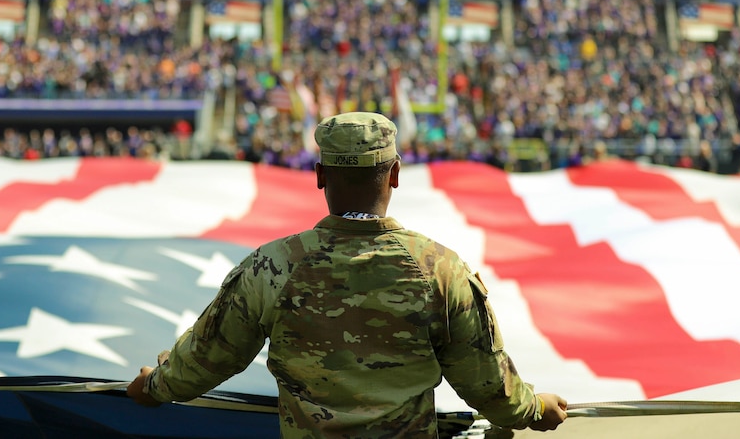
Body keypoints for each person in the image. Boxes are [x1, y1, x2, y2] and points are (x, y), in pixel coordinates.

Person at [127, 112, 568, 436]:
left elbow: (207, 360)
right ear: (395, 175)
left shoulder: (272, 266)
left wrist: (156, 384)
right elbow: (488, 385)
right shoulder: (442, 271)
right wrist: (533, 409)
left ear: (320, 176)